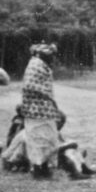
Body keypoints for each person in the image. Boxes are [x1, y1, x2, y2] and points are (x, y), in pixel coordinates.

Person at [17, 43, 65, 179]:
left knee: (48, 138)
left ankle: (44, 167)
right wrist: (45, 94)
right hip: (35, 109)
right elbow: (29, 85)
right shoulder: (35, 65)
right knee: (38, 139)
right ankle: (38, 169)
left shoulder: (41, 65)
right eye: (50, 56)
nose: (52, 58)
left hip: (44, 109)